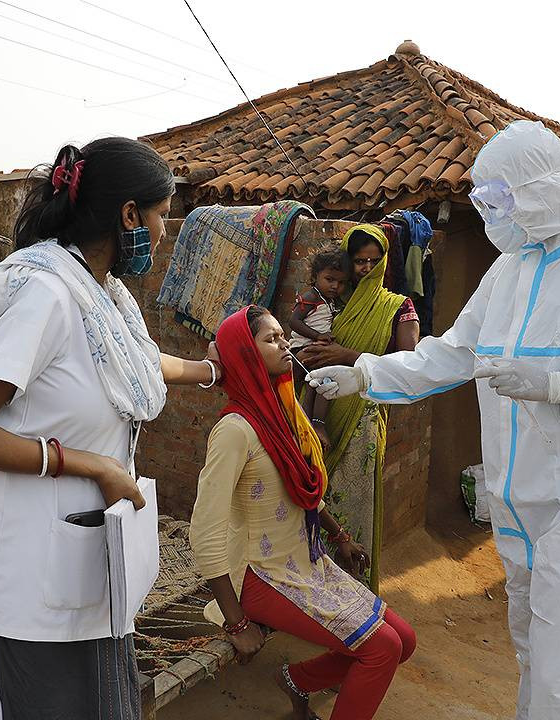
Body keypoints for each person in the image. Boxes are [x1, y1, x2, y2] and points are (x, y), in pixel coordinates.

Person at [307, 120, 560, 720]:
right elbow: (456, 352)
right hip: (517, 502)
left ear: (538, 189)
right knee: (533, 648)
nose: (489, 216)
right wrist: (366, 374)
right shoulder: (512, 268)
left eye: (496, 200)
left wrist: (559, 384)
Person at [0, 137, 224, 720]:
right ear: (128, 214)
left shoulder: (103, 296)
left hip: (79, 565)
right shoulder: (49, 296)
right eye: (160, 214)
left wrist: (212, 370)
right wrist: (88, 463)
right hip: (24, 578)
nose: (162, 231)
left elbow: (139, 361)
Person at [190, 306, 415, 720]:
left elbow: (301, 487)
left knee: (405, 640)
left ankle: (298, 680)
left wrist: (339, 535)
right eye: (271, 338)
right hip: (260, 573)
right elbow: (205, 527)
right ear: (245, 353)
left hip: (304, 559)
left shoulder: (283, 412)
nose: (284, 343)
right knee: (383, 649)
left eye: (283, 335)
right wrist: (237, 622)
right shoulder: (235, 430)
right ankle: (300, 683)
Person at [297, 225, 419, 591]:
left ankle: (350, 592)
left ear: (384, 262)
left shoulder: (398, 306)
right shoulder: (334, 300)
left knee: (351, 501)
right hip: (322, 408)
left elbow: (407, 365)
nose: (366, 268)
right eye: (358, 261)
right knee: (311, 496)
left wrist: (349, 357)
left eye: (373, 260)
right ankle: (310, 592)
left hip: (361, 418)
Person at [288, 246, 347, 437]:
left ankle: (309, 423)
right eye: (330, 280)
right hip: (303, 347)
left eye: (340, 282)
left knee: (316, 384)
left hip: (315, 346)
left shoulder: (329, 300)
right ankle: (317, 424)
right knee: (322, 380)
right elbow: (293, 321)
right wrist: (317, 336)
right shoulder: (311, 297)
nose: (335, 286)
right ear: (315, 277)